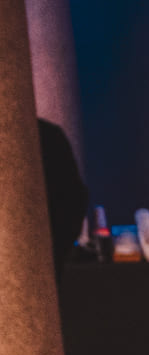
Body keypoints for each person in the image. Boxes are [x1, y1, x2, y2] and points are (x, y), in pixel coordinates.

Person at [39, 119, 87, 278]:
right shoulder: (47, 133)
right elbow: (75, 199)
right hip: (45, 258)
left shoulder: (46, 134)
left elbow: (73, 199)